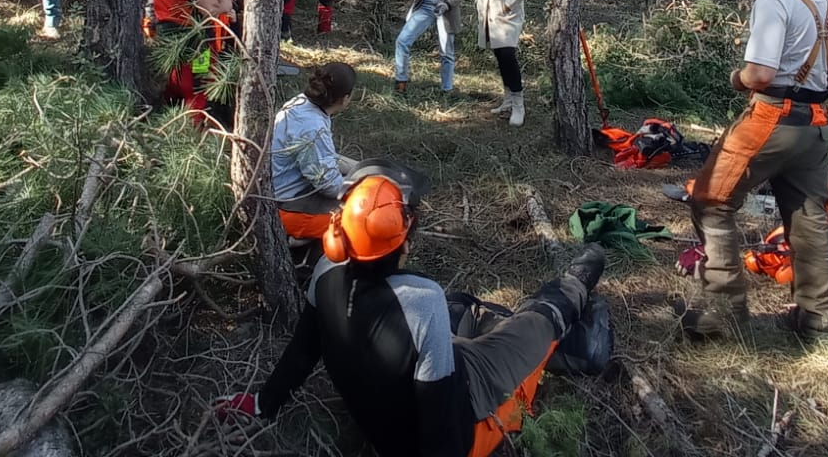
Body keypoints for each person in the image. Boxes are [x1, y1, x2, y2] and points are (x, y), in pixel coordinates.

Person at [215, 174, 606, 457]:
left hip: (392, 416)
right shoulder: (421, 300)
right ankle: (587, 276)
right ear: (403, 244)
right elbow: (440, 420)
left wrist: (263, 402)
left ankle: (504, 325)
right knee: (538, 319)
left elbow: (302, 352)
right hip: (471, 416)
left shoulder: (324, 273)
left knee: (458, 306)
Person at [679, 0, 828, 340]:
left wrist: (737, 77)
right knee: (810, 219)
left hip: (772, 118)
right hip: (816, 126)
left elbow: (760, 74)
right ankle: (817, 320)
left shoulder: (774, 0)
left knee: (710, 199)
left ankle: (722, 313)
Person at [273, 61, 358, 239]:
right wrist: (364, 183)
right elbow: (330, 186)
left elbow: (322, 157)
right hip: (287, 205)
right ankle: (300, 242)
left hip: (284, 189)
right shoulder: (313, 127)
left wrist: (362, 168)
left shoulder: (301, 103)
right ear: (345, 99)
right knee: (363, 218)